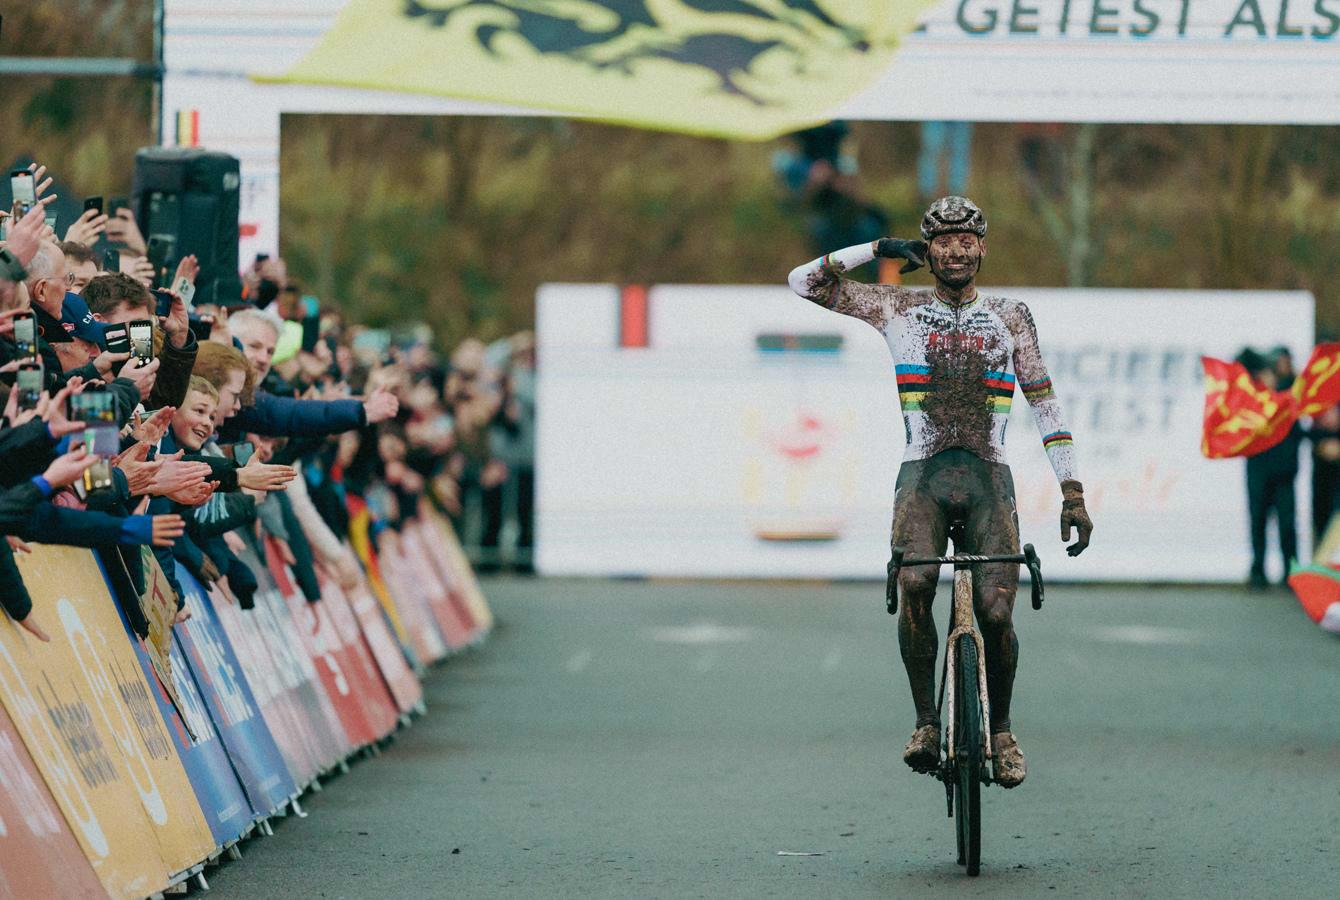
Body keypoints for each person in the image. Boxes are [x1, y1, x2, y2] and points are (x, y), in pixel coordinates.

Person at [786, 195, 1093, 788]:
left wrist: (1072, 491)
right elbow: (804, 282)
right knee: (916, 583)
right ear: (928, 250)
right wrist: (877, 248)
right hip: (923, 476)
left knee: (998, 613)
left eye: (966, 240)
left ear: (982, 247)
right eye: (942, 241)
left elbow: (1044, 401)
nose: (955, 250)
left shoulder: (1011, 315)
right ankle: (927, 723)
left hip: (988, 478)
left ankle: (1001, 732)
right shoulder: (896, 306)